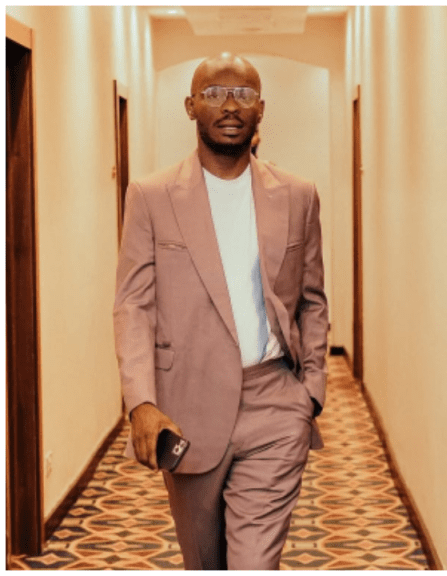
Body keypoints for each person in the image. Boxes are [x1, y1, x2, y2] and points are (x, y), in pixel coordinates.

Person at [113, 52, 329, 569]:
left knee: (253, 563)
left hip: (276, 403)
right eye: (213, 94)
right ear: (190, 107)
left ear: (261, 109)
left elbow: (313, 301)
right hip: (186, 408)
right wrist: (141, 402)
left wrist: (311, 393)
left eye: (243, 94)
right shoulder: (150, 196)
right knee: (204, 561)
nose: (229, 105)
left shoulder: (298, 196)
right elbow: (133, 306)